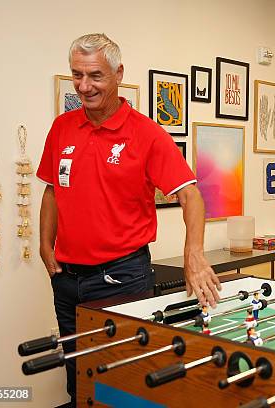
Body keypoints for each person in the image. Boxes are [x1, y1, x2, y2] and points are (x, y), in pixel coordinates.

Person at [37, 33, 221, 405]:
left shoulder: (147, 134)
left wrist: (194, 254)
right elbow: (53, 190)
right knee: (78, 379)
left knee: (121, 382)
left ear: (119, 74)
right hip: (67, 279)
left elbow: (190, 195)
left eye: (95, 76)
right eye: (77, 75)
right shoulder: (62, 128)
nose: (84, 86)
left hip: (121, 277)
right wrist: (45, 244)